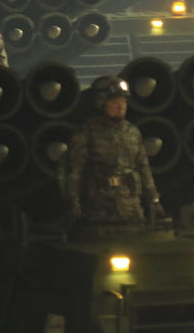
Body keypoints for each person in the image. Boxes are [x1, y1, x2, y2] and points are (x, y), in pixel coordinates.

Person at [65, 76, 164, 233]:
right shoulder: (88, 132)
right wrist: (74, 203)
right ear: (102, 103)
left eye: (124, 101)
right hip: (99, 210)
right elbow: (74, 171)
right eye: (115, 101)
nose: (121, 106)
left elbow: (144, 169)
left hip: (131, 208)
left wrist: (154, 200)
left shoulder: (132, 132)